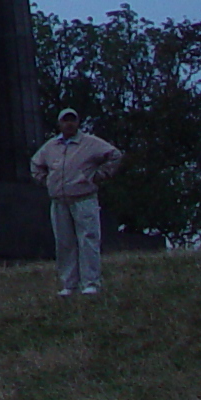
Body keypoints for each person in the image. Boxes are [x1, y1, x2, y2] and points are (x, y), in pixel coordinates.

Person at [27, 106, 122, 297]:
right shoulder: (51, 146)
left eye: (72, 120)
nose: (69, 124)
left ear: (78, 122)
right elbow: (36, 163)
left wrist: (100, 175)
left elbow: (115, 155)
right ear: (60, 123)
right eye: (65, 120)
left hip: (84, 198)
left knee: (88, 240)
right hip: (59, 201)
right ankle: (69, 285)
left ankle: (91, 283)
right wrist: (46, 181)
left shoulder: (90, 143)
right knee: (64, 243)